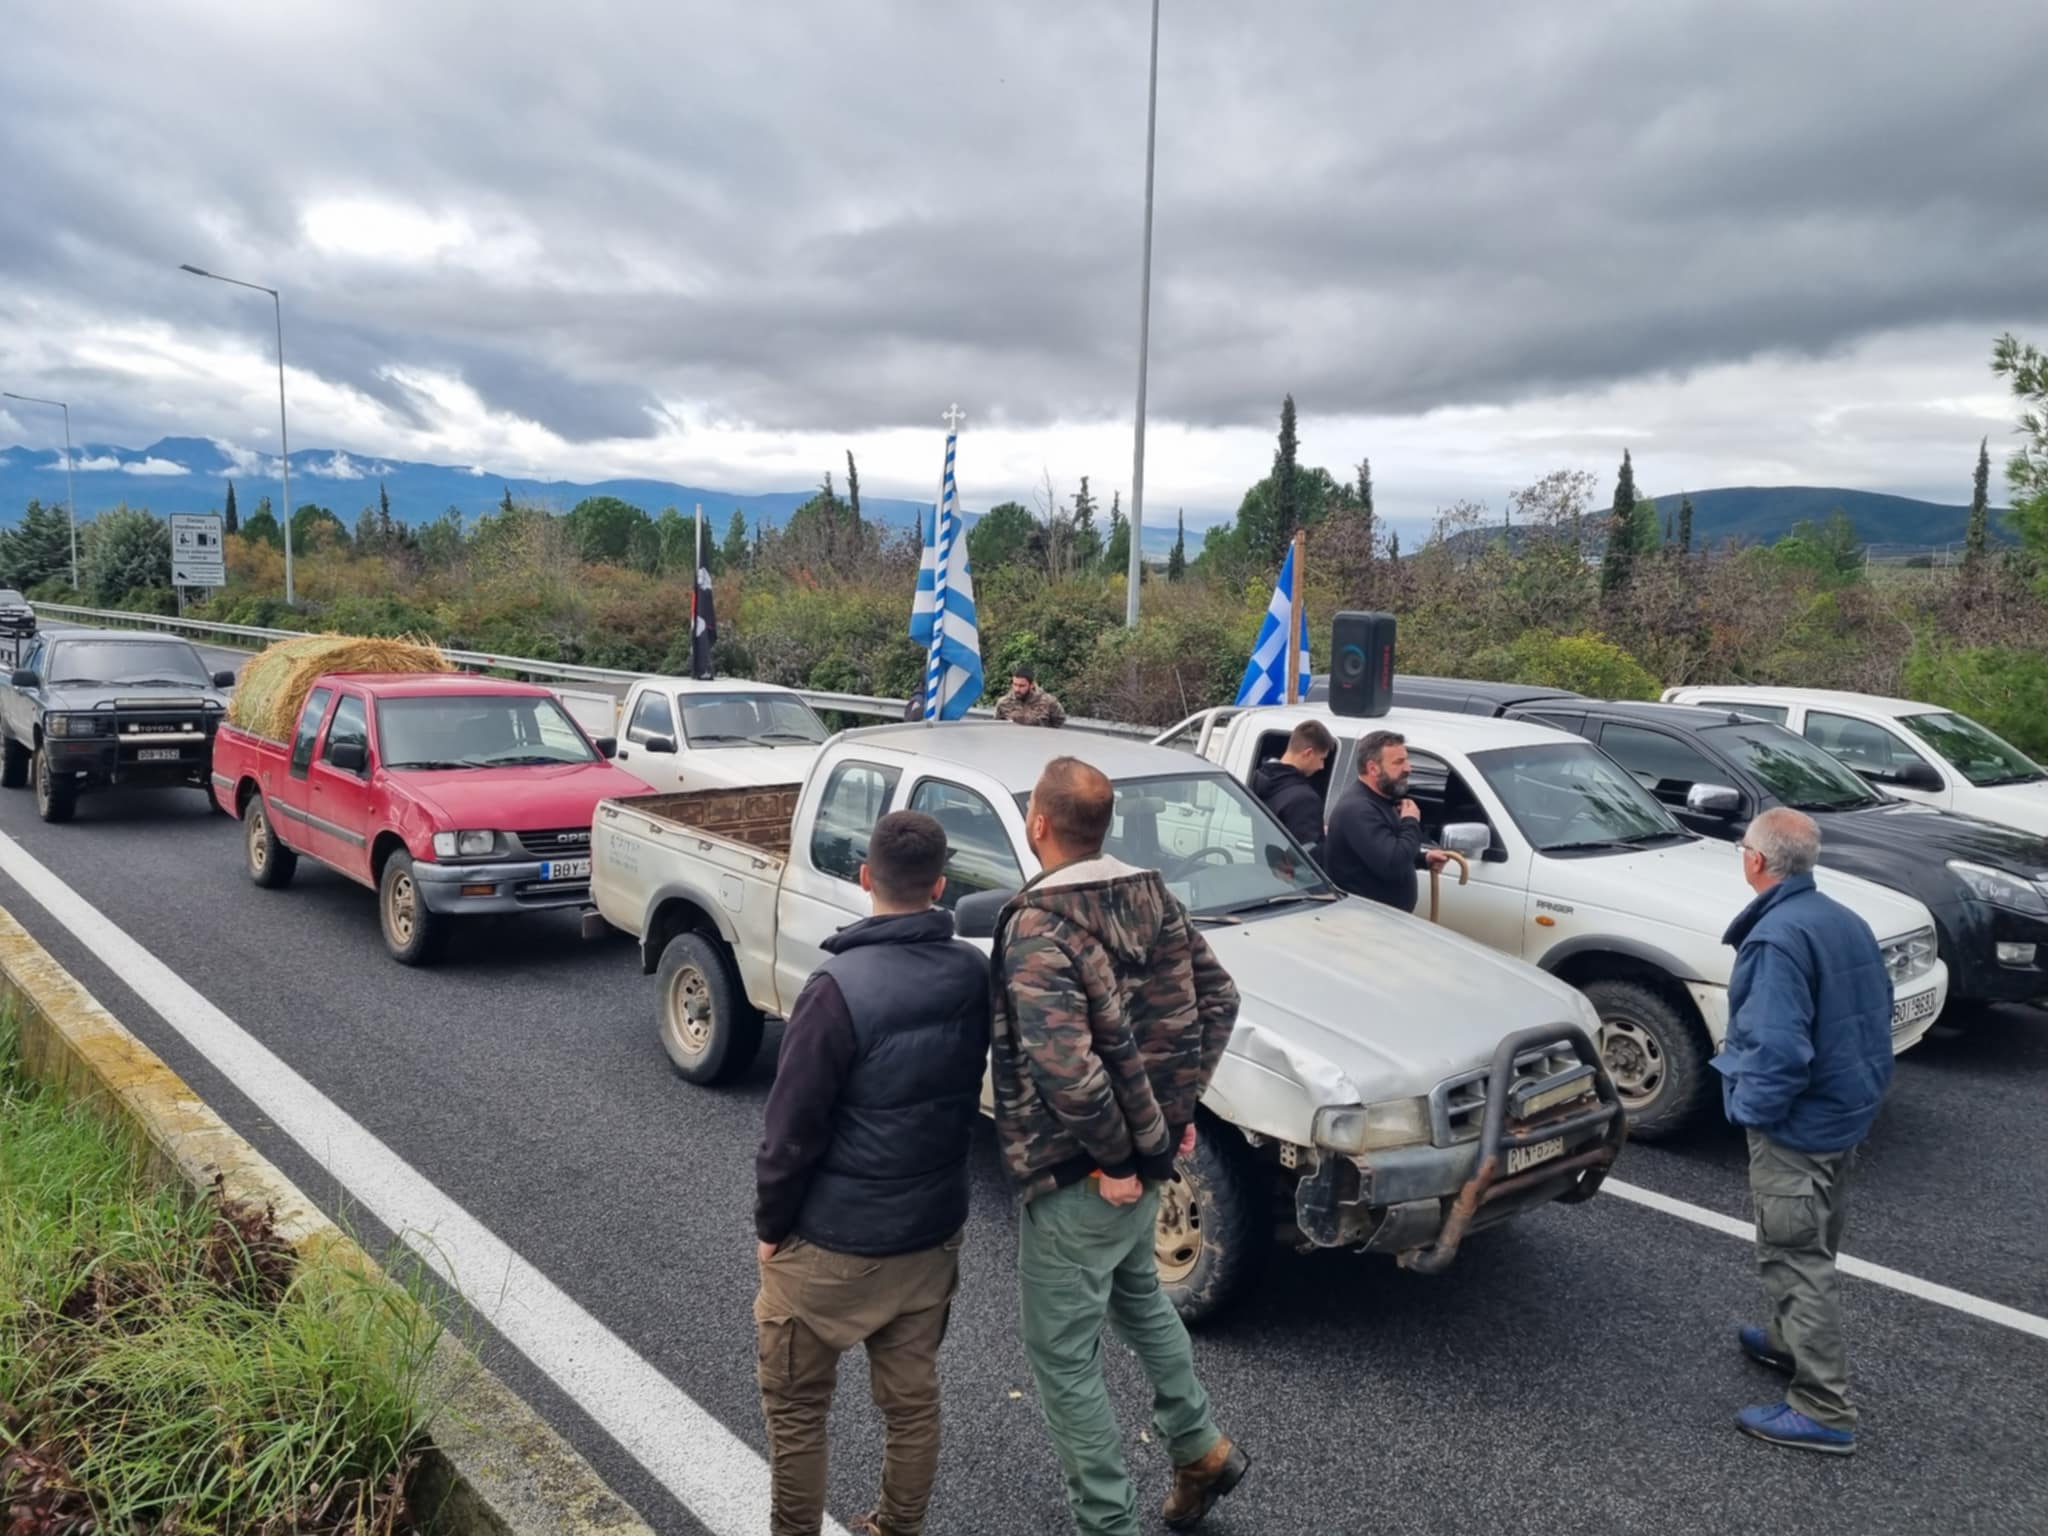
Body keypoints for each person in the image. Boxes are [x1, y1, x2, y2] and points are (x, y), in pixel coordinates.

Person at [991, 757, 1247, 1536]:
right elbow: (1218, 997)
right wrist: (1174, 1112)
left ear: (1039, 823)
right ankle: (1198, 1447)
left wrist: (1119, 1158)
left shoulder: (1037, 927)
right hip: (1149, 1150)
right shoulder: (1153, 896)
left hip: (1086, 1173)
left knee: (1062, 1354)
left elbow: (1066, 1070)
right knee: (1138, 1298)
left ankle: (1108, 1521)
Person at [753, 810, 993, 1536]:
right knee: (912, 1403)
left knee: (797, 1410)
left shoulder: (835, 987)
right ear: (941, 884)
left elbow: (789, 1133)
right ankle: (896, 1526)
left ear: (866, 879)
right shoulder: (972, 971)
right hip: (928, 1235)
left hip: (832, 1243)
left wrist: (771, 1229)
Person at [1716, 806, 1893, 1456]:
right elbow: (1875, 1013)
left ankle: (1823, 1406)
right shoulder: (1843, 919)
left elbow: (1778, 1049)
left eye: (1743, 849)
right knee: (1817, 1234)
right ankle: (1788, 1342)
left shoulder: (1777, 937)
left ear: (1757, 861)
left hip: (1799, 1124)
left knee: (1795, 1258)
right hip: (1844, 1112)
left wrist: (1750, 1110)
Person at [1321, 729, 1449, 910]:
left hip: (1385, 919)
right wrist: (1411, 821)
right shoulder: (1358, 810)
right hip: (1366, 922)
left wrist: (1422, 858)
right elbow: (1391, 864)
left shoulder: (1381, 801)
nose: (1408, 768)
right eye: (1399, 762)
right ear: (1373, 768)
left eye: (1406, 760)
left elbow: (1380, 853)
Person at [1247, 719, 1336, 858]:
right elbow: (1309, 857)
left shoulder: (1257, 779)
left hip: (1264, 868)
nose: (1321, 766)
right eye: (1321, 758)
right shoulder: (1304, 798)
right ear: (1308, 753)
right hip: (1290, 876)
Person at [995, 664, 1067, 728]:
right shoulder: (1003, 703)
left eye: (1022, 686)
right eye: (1015, 684)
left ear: (1031, 685)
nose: (1017, 689)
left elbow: (1059, 723)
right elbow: (997, 727)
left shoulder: (1049, 702)